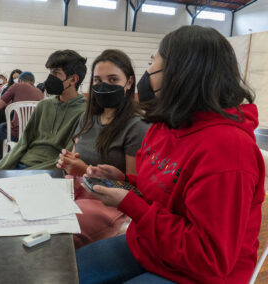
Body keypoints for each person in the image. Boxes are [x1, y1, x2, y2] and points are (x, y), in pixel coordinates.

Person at [76, 25, 265, 284]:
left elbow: (208, 258)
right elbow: (169, 189)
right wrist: (126, 180)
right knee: (71, 270)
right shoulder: (167, 124)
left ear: (179, 74)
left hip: (197, 274)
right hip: (151, 247)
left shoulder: (228, 150)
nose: (148, 71)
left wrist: (130, 203)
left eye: (153, 62)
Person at [57, 49, 150, 248]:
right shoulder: (88, 117)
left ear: (129, 82)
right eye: (98, 80)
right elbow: (76, 155)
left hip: (106, 201)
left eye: (113, 79)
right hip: (73, 188)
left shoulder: (137, 126)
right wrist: (68, 161)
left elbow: (134, 189)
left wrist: (83, 170)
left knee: (54, 230)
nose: (104, 86)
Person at [0, 49, 87, 170]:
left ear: (73, 79)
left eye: (56, 73)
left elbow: (67, 159)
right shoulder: (43, 105)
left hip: (48, 171)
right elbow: (23, 143)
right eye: (50, 72)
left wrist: (26, 175)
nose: (50, 78)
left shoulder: (85, 112)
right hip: (22, 164)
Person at [0, 71, 44, 165]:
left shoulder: (16, 86)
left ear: (20, 80)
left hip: (15, 133)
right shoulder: (40, 93)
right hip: (33, 134)